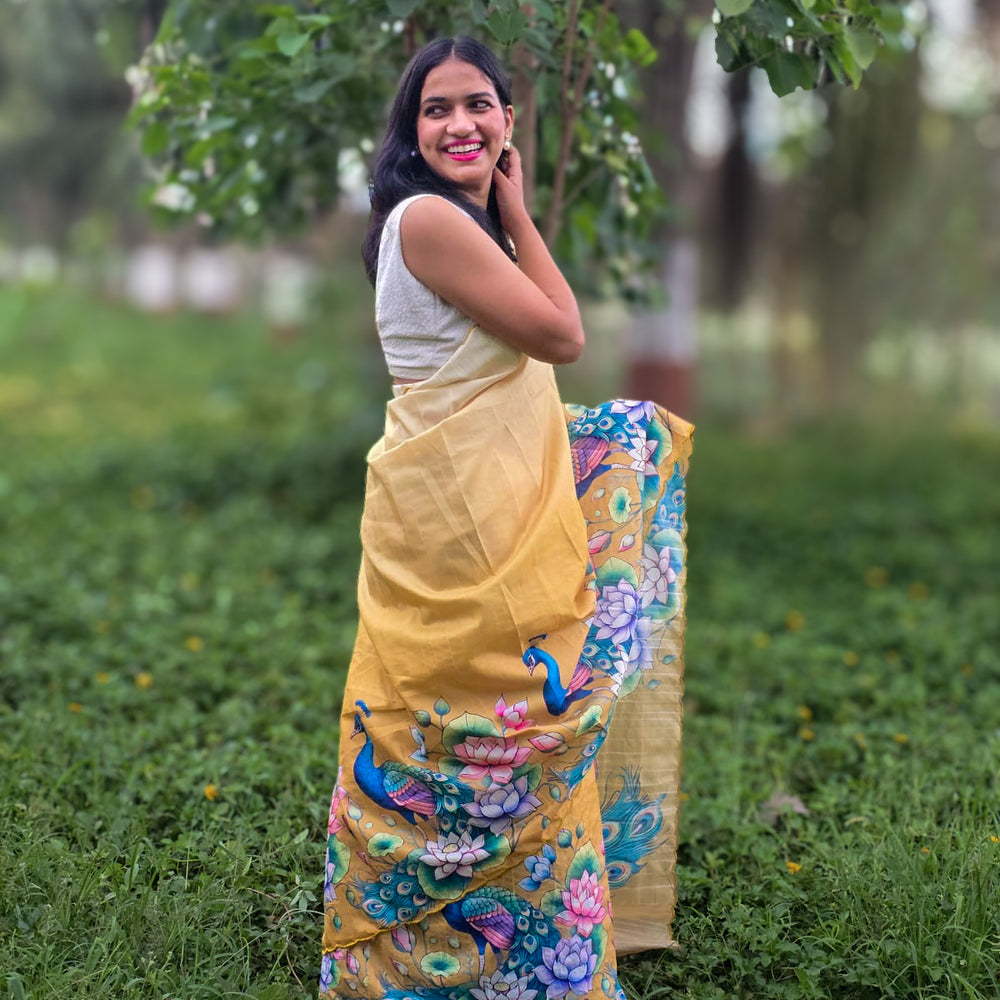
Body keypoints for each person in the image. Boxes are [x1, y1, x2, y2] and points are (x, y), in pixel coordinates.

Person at [320, 36, 692, 1000]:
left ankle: (504, 965)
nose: (460, 125)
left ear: (509, 121)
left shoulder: (461, 226)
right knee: (477, 719)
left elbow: (532, 348)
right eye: (435, 110)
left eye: (478, 105)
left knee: (478, 723)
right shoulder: (432, 221)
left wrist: (510, 213)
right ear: (411, 132)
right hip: (458, 523)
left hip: (460, 503)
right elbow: (563, 332)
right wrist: (520, 211)